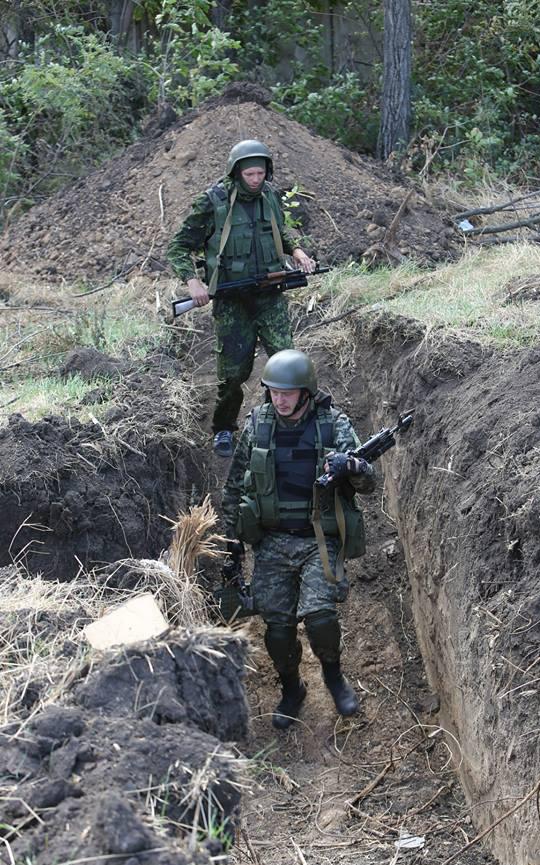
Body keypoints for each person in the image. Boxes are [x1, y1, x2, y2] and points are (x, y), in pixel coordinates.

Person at [222, 349, 376, 729]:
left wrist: (351, 466)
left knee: (321, 616)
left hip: (318, 539)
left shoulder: (332, 425)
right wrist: (232, 543)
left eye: (288, 392)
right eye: (274, 391)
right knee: (277, 627)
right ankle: (292, 687)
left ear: (306, 392)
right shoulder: (258, 425)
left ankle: (334, 676)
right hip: (272, 542)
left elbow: (368, 483)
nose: (280, 399)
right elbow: (233, 486)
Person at [167, 139, 316, 457]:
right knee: (234, 373)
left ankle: (283, 426)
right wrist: (193, 282)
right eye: (249, 174)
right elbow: (179, 245)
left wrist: (298, 251)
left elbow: (281, 231)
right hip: (232, 302)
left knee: (286, 362)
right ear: (235, 172)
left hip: (270, 297)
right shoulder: (213, 201)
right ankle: (223, 428)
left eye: (260, 173)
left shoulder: (270, 197)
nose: (255, 180)